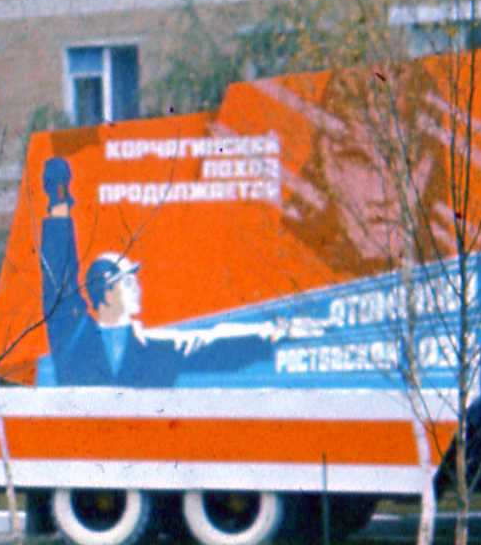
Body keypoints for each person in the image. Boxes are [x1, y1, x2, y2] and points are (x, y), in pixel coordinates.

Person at [38, 157, 312, 387]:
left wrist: (276, 332)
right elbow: (58, 280)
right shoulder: (73, 338)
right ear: (107, 292)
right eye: (128, 281)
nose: (137, 287)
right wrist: (59, 206)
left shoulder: (157, 349)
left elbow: (215, 344)